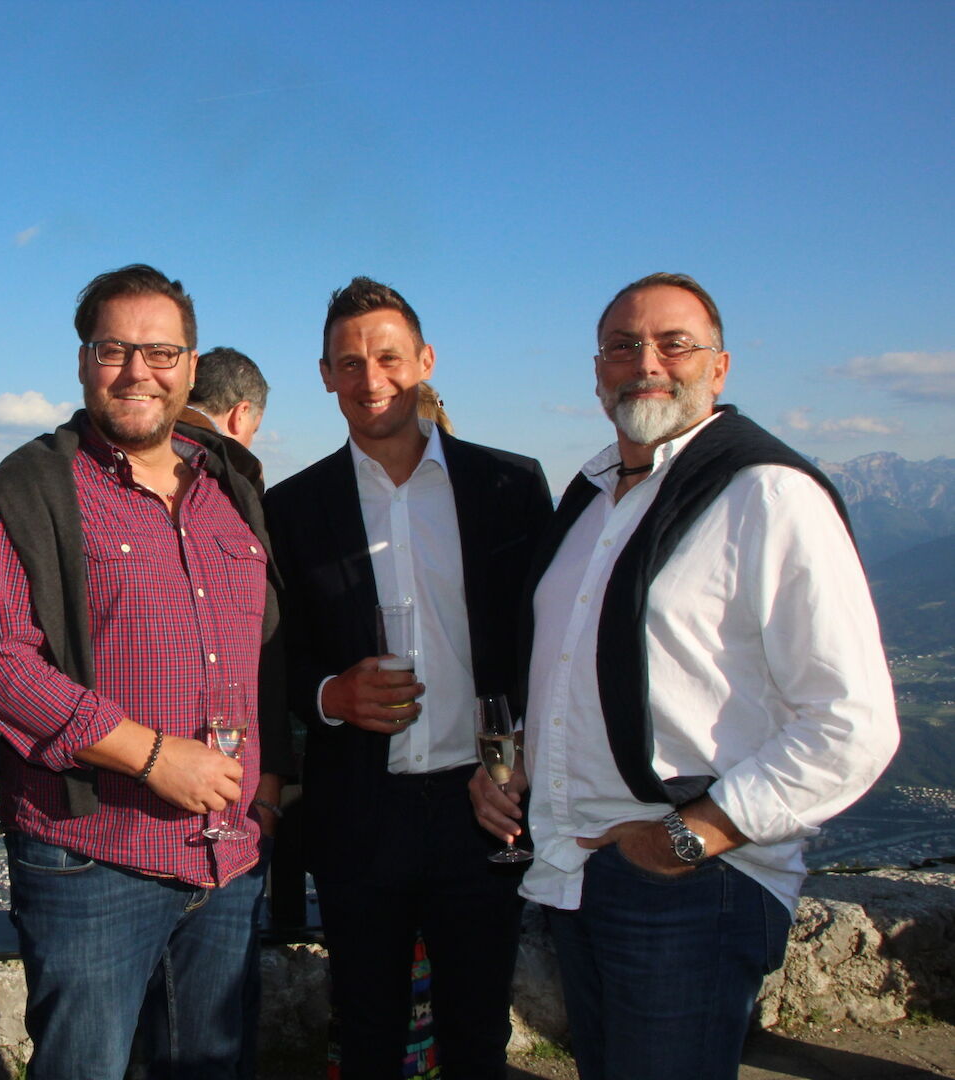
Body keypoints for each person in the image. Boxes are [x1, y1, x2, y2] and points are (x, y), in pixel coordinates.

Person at [468, 272, 899, 1079]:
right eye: (623, 346)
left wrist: (684, 839)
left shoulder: (767, 494)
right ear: (598, 372)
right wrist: (519, 760)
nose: (646, 363)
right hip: (578, 873)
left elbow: (853, 723)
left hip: (694, 884)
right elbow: (583, 670)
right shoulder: (592, 502)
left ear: (720, 366)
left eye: (675, 344)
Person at [0, 264, 289, 1079]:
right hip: (93, 858)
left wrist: (269, 788)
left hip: (227, 858)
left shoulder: (231, 488)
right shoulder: (29, 490)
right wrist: (153, 756)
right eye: (114, 350)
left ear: (190, 365)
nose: (138, 371)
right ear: (83, 362)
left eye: (161, 352)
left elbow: (266, 648)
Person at [264, 276, 551, 1079]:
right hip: (361, 813)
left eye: (388, 357)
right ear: (325, 375)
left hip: (481, 804)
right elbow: (275, 656)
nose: (371, 379)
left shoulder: (509, 486)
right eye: (350, 363)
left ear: (424, 361)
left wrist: (519, 760)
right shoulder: (292, 507)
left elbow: (546, 642)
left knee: (477, 1035)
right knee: (366, 1033)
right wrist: (331, 696)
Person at [177, 346, 268, 494]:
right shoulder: (243, 468)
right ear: (240, 413)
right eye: (253, 430)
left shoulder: (146, 434)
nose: (251, 443)